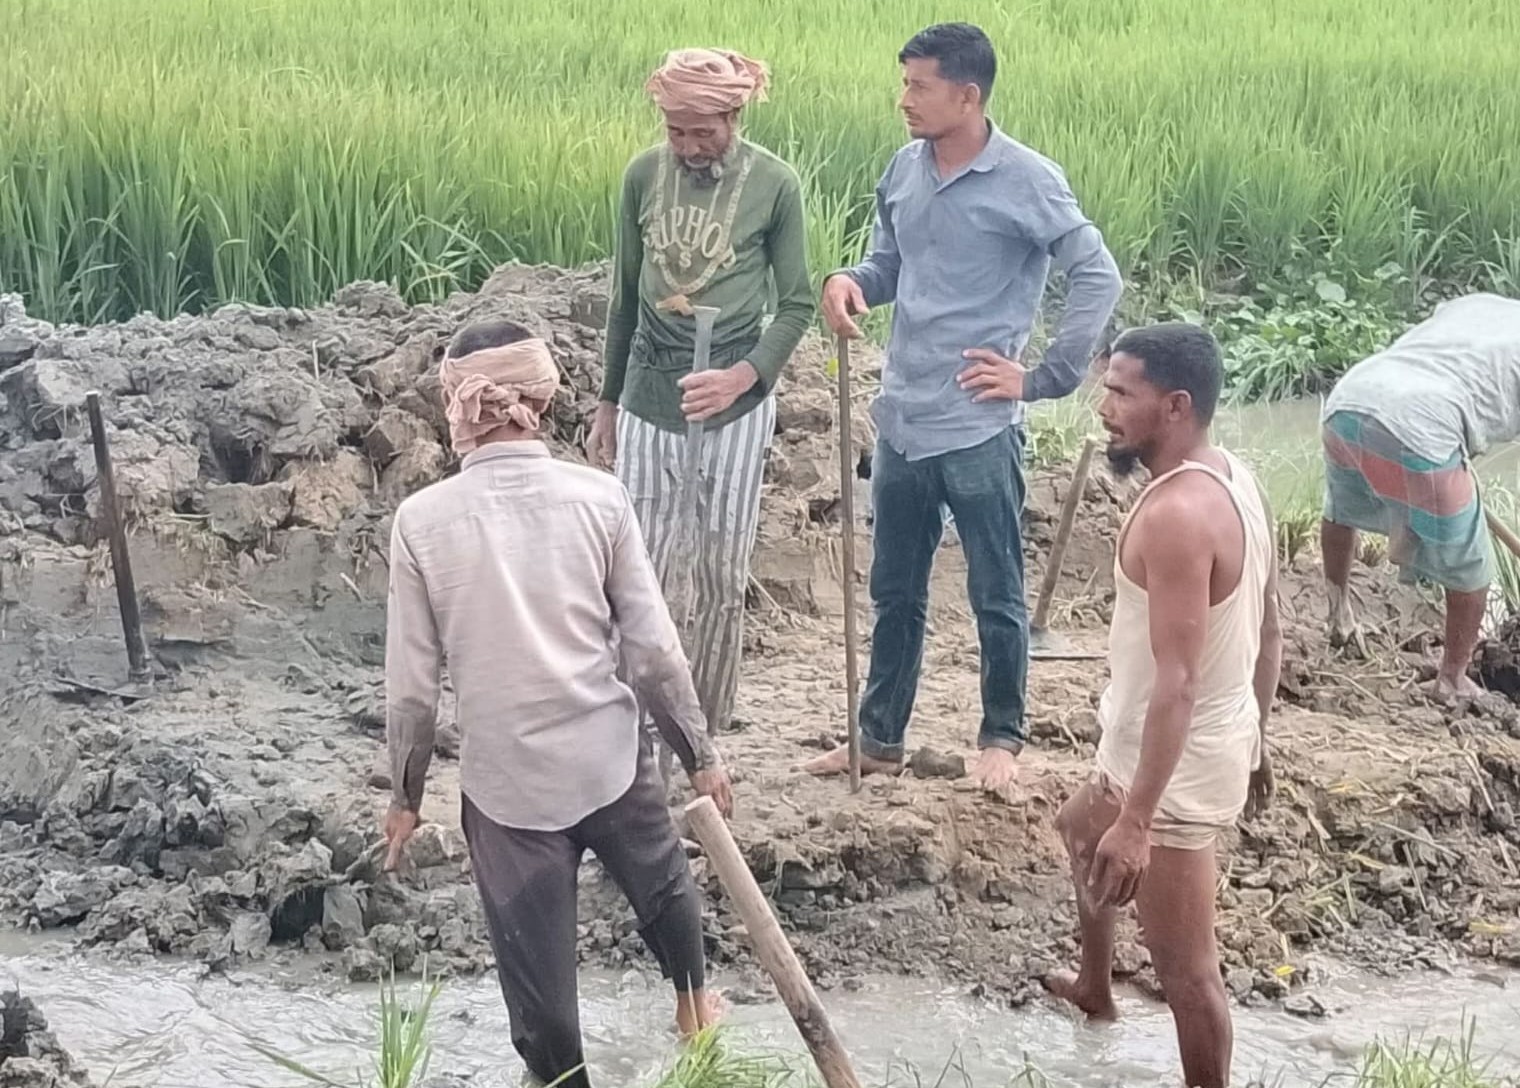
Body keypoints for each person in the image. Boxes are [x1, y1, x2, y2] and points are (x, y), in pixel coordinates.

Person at [383, 318, 734, 1088]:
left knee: (545, 1024)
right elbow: (652, 651)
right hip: (609, 761)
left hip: (507, 793)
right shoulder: (599, 498)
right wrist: (699, 755)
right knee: (663, 884)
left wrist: (405, 798)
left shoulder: (421, 523)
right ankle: (694, 1009)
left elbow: (411, 689)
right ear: (541, 399)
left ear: (456, 406)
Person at [806, 23, 1122, 792]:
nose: (904, 99)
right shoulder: (904, 170)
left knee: (995, 592)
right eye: (904, 83)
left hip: (979, 424)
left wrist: (1042, 377)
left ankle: (1001, 737)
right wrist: (849, 282)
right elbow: (889, 265)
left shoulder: (1027, 179)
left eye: (919, 86)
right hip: (903, 419)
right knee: (894, 591)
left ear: (967, 96)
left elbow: (1097, 274)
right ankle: (880, 739)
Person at [1046, 324, 1281, 1088]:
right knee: (1080, 828)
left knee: (1189, 975)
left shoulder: (1177, 515)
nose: (1103, 406)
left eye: (1121, 393)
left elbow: (1177, 682)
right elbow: (1269, 629)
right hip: (1184, 739)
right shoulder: (1235, 477)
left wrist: (1141, 820)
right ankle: (1095, 986)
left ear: (1175, 406)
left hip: (1171, 766)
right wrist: (1256, 736)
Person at [588, 47, 814, 738]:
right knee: (640, 570)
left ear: (733, 117)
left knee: (719, 574)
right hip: (651, 395)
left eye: (703, 132)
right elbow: (625, 298)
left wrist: (742, 376)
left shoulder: (774, 184)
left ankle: (705, 727)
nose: (687, 147)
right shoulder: (641, 176)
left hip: (736, 406)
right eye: (675, 131)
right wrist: (609, 402)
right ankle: (633, 722)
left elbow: (797, 304)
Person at [1320, 292, 1520, 699]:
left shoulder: (1482, 304)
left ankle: (1338, 618)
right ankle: (1453, 679)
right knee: (1471, 565)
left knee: (1341, 511)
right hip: (1423, 424)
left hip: (1350, 399)